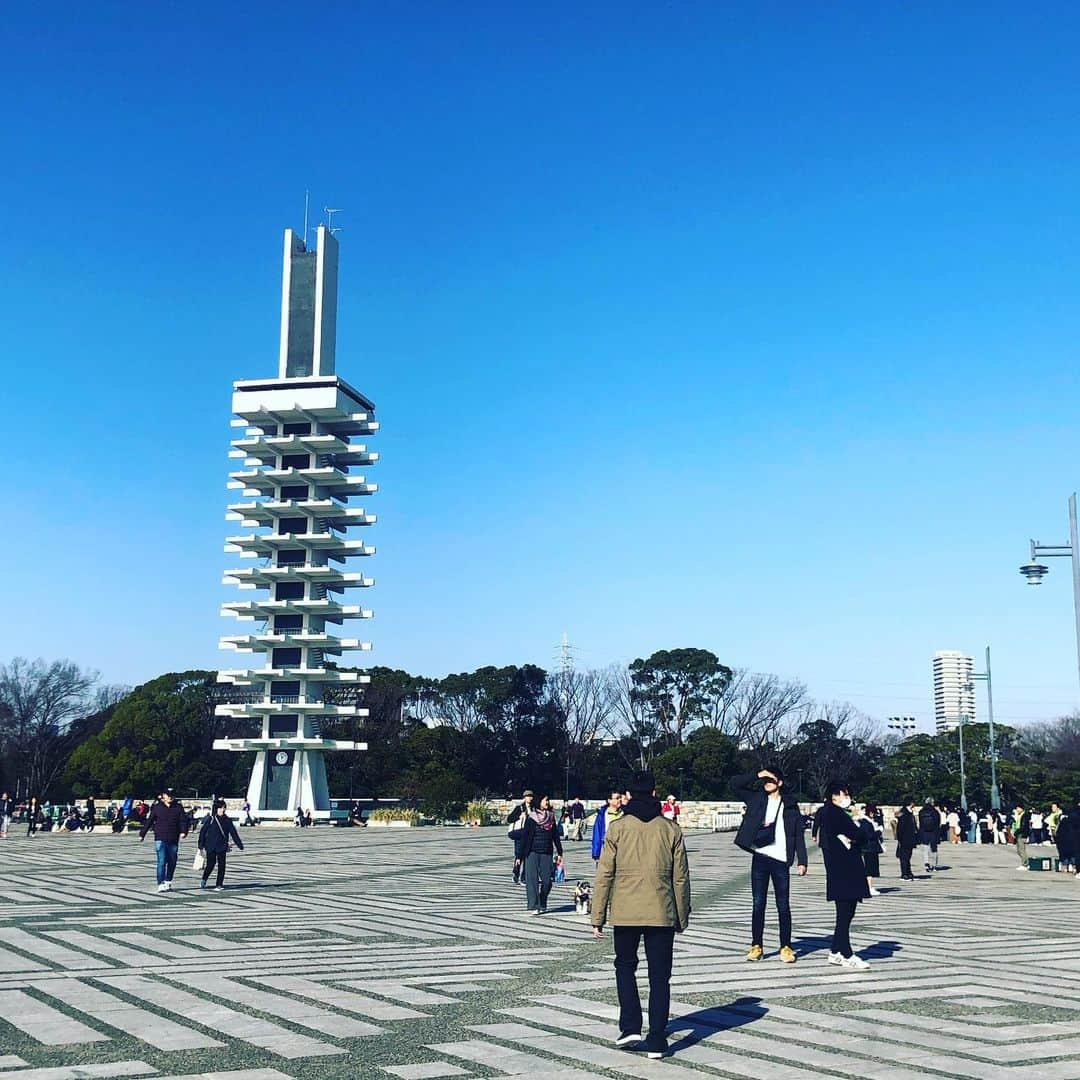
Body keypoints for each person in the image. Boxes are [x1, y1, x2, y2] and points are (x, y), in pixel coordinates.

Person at [591, 770, 690, 1060]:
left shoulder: (618, 828)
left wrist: (597, 915)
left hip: (625, 911)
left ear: (629, 795)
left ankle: (630, 1026)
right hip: (661, 911)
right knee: (660, 976)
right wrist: (681, 916)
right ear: (655, 793)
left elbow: (604, 874)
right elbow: (681, 878)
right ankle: (657, 1038)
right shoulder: (670, 829)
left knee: (625, 966)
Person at [731, 766, 807, 964]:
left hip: (781, 859)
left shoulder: (790, 804)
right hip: (761, 857)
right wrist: (758, 773)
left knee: (783, 905)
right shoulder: (756, 799)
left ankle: (786, 946)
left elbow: (798, 833)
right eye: (765, 780)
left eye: (771, 780)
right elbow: (734, 784)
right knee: (758, 904)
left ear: (780, 783)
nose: (767, 783)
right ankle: (757, 945)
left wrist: (802, 860)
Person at [817, 779, 870, 970]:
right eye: (843, 794)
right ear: (833, 796)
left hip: (843, 867)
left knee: (847, 911)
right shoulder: (835, 813)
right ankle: (847, 953)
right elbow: (860, 836)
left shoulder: (834, 813)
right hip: (844, 868)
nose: (846, 798)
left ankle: (835, 950)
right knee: (845, 911)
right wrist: (860, 824)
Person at [515, 794, 563, 915]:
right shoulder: (531, 818)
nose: (547, 802)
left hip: (546, 852)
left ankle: (542, 900)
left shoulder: (551, 817)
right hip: (531, 852)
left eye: (548, 800)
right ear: (539, 801)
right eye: (545, 800)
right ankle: (534, 905)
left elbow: (555, 836)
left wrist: (560, 852)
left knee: (547, 881)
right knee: (532, 880)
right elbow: (525, 838)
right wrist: (519, 857)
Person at [138, 789, 189, 893]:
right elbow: (150, 821)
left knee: (172, 860)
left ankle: (168, 880)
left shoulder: (178, 807)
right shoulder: (157, 808)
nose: (170, 797)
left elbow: (183, 820)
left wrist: (184, 831)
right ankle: (160, 883)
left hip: (173, 838)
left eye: (171, 795)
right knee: (161, 861)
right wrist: (142, 834)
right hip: (160, 838)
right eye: (168, 795)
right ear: (163, 796)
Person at [198, 799, 245, 890]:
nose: (222, 810)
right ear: (216, 809)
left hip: (222, 846)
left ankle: (219, 884)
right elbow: (203, 832)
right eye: (220, 808)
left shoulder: (227, 820)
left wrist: (239, 844)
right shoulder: (211, 819)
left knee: (222, 865)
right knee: (210, 864)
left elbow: (233, 833)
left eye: (224, 808)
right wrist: (201, 844)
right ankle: (204, 879)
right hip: (210, 846)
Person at [506, 789, 535, 885]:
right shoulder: (519, 808)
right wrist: (519, 817)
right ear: (524, 797)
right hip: (519, 834)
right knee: (519, 855)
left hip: (529, 835)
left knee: (527, 856)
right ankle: (516, 873)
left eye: (531, 796)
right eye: (528, 796)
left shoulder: (534, 808)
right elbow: (509, 819)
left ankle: (524, 877)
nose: (530, 798)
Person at [854, 803, 883, 896]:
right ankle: (869, 887)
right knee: (869, 869)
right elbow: (870, 836)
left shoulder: (866, 822)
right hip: (869, 848)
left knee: (870, 868)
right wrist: (879, 831)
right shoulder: (866, 823)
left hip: (869, 848)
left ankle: (868, 887)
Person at [591, 789, 624, 864]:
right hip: (606, 849)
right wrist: (596, 854)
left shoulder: (624, 813)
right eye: (617, 798)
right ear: (609, 800)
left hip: (622, 851)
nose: (620, 800)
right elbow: (597, 834)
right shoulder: (602, 815)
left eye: (620, 798)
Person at [895, 797, 918, 880]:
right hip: (905, 838)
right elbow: (900, 827)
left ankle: (908, 872)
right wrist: (900, 838)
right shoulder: (904, 813)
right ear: (910, 803)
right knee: (904, 857)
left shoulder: (909, 812)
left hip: (910, 838)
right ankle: (904, 873)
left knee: (908, 856)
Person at [1054, 799, 1077, 874]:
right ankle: (1074, 868)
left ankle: (1065, 868)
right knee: (1073, 854)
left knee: (1064, 855)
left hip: (1063, 841)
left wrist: (1056, 838)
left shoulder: (1063, 820)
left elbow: (1058, 831)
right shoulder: (1074, 819)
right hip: (1073, 840)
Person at [918, 800, 941, 872]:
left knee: (925, 849)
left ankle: (926, 863)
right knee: (934, 849)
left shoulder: (921, 812)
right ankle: (934, 865)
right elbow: (938, 823)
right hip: (933, 832)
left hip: (924, 833)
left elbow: (920, 823)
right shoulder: (935, 812)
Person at [1013, 805, 1031, 870]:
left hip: (1022, 834)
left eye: (1018, 808)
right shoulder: (1019, 816)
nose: (1017, 810)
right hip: (1019, 833)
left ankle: (1025, 864)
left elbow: (1023, 827)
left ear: (1022, 809)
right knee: (1018, 850)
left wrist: (1016, 832)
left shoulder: (1024, 816)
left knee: (1021, 850)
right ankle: (1026, 863)